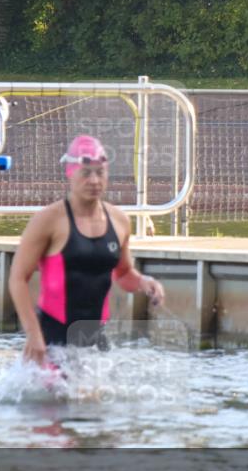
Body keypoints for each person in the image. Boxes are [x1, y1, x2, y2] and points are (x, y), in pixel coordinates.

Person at [9, 135, 165, 365]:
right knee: (62, 388)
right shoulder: (48, 220)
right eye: (86, 173)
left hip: (94, 344)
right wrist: (33, 335)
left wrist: (144, 281)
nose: (94, 180)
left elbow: (123, 274)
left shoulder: (119, 221)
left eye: (100, 173)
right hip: (52, 342)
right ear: (70, 173)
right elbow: (18, 278)